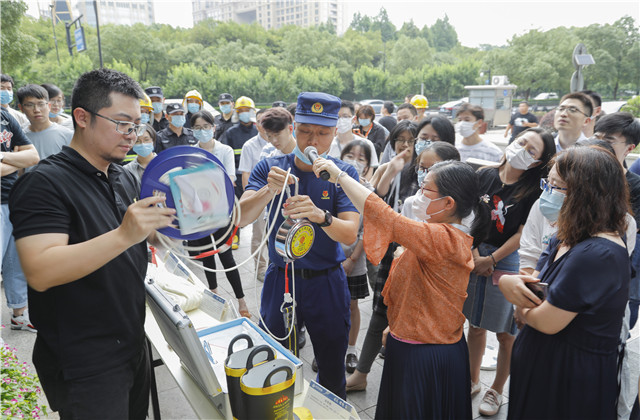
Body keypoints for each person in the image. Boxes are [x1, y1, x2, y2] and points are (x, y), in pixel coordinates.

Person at [9, 68, 175, 418]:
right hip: (85, 362)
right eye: (121, 123)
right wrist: (123, 235)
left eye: (136, 124)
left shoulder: (120, 176)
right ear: (82, 118)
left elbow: (153, 237)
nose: (132, 134)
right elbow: (40, 270)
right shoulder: (45, 183)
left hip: (131, 341)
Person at [313, 156, 491, 419]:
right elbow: (415, 292)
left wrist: (340, 176)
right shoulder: (435, 231)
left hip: (426, 354)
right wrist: (395, 325)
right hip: (413, 342)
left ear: (448, 203)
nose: (418, 195)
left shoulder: (444, 238)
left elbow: (384, 216)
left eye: (425, 189)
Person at [239, 92, 359, 399]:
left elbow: (349, 234)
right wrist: (269, 190)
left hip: (326, 281)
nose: (313, 141)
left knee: (331, 367)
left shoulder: (342, 175)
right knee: (278, 365)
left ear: (335, 134)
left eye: (323, 133)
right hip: (282, 279)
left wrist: (321, 216)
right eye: (305, 130)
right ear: (293, 128)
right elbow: (241, 218)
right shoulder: (271, 167)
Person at [499, 146, 630, 419]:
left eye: (557, 187)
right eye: (548, 183)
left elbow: (546, 321)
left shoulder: (598, 254)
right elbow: (537, 282)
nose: (547, 193)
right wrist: (518, 291)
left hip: (568, 377)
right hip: (543, 364)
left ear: (587, 194)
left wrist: (514, 295)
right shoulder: (568, 234)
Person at [463, 127, 555, 416]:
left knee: (507, 332)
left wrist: (492, 259)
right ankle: (472, 378)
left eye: (531, 150)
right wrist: (476, 253)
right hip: (474, 252)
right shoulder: (484, 176)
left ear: (538, 162)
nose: (522, 149)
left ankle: (497, 390)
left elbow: (523, 233)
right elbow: (470, 216)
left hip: (507, 261)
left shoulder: (534, 190)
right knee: (474, 325)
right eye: (521, 142)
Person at [346, 121, 419, 393]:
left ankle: (402, 373)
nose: (405, 145)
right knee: (380, 310)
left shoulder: (428, 172)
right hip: (391, 249)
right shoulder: (391, 167)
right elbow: (377, 197)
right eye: (400, 139)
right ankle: (361, 373)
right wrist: (390, 169)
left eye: (412, 139)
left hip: (418, 251)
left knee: (409, 315)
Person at [187, 110, 251, 317]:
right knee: (207, 256)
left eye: (206, 127)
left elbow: (229, 180)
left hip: (222, 210)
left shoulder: (225, 150)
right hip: (199, 213)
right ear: (193, 131)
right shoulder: (190, 152)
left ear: (213, 128)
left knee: (226, 256)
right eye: (197, 128)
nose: (202, 131)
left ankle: (242, 301)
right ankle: (214, 295)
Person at [592, 112, 640, 329]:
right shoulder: (577, 174)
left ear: (630, 148)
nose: (600, 144)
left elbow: (627, 230)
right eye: (597, 136)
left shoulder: (635, 186)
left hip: (616, 271)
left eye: (609, 140)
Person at [0, 108, 40, 332]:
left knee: (16, 262)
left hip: (12, 199)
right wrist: (17, 161)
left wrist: (3, 156)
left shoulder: (4, 117)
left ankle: (19, 315)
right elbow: (23, 158)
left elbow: (33, 156)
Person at [339, 140, 374, 374]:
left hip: (355, 260)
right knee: (330, 306)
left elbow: (367, 231)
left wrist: (351, 260)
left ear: (368, 165)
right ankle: (331, 347)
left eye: (361, 159)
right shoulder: (330, 184)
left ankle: (351, 349)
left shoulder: (367, 192)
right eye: (350, 156)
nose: (355, 162)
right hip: (329, 259)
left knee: (352, 305)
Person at [238, 108, 269, 281]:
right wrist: (250, 201)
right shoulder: (249, 146)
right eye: (260, 121)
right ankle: (261, 268)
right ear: (256, 124)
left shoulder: (280, 143)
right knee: (258, 236)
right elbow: (246, 175)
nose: (264, 125)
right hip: (258, 197)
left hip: (277, 199)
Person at [402, 142, 461, 220]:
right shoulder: (411, 204)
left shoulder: (461, 210)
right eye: (422, 167)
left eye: (433, 168)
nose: (426, 174)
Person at [16, 84, 72, 164]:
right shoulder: (19, 137)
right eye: (30, 105)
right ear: (21, 108)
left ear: (48, 106)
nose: (36, 110)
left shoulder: (67, 135)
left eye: (41, 104)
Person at [328, 100, 378, 177]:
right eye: (337, 117)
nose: (341, 120)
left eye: (345, 116)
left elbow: (369, 175)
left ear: (353, 119)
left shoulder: (366, 144)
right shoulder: (328, 145)